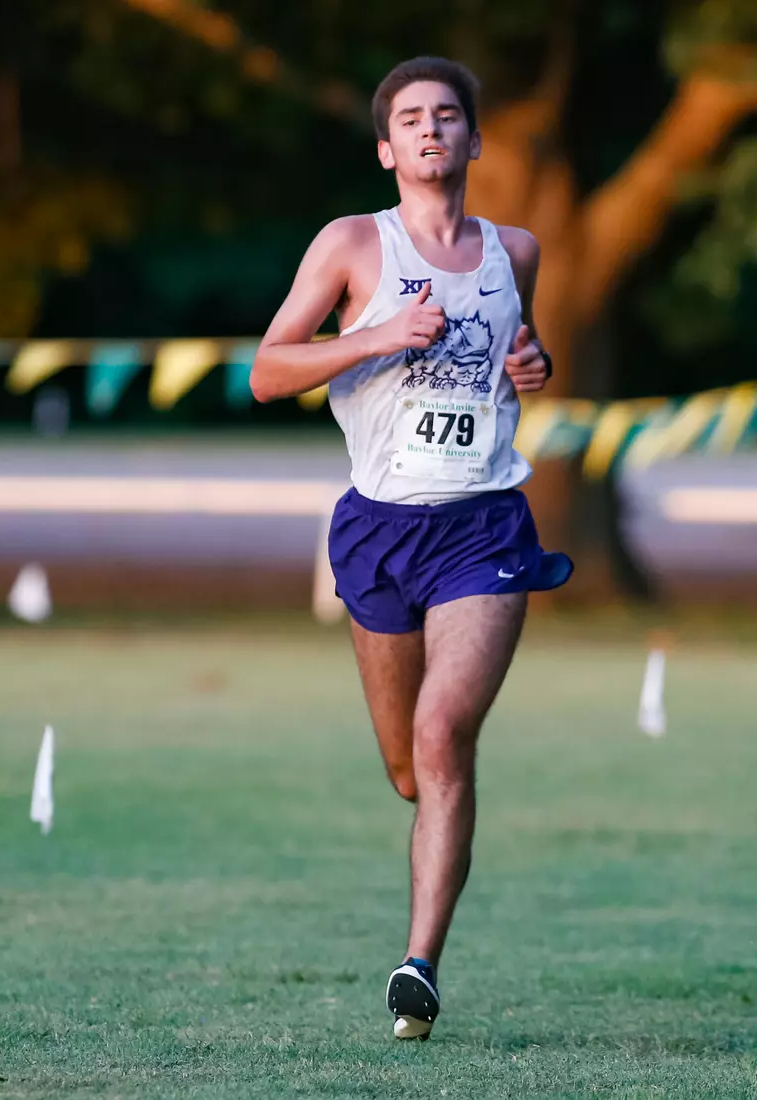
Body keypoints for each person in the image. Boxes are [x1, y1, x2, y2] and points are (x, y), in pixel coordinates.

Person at [250, 56, 572, 1040]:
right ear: (388, 148)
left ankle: (418, 964)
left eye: (448, 116)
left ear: (473, 140)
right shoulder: (354, 245)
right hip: (381, 529)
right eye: (412, 120)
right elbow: (268, 370)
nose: (432, 130)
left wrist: (535, 361)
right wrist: (375, 335)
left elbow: (518, 361)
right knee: (406, 765)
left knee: (443, 734)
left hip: (484, 526)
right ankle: (427, 829)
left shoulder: (514, 251)